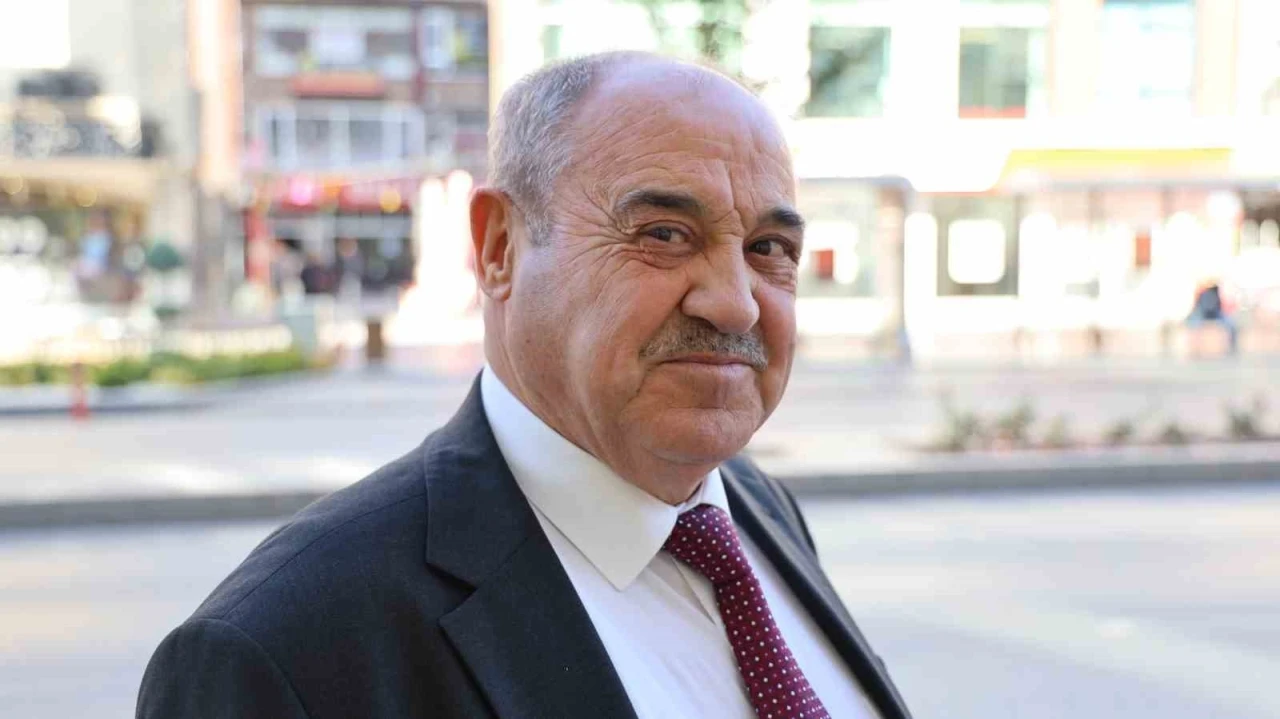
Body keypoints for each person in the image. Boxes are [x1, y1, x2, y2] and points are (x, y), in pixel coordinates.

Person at [136, 52, 913, 719]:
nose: (736, 302)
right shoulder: (279, 650)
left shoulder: (755, 508)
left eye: (769, 247)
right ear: (498, 247)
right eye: (664, 234)